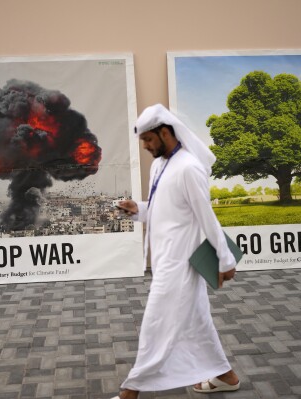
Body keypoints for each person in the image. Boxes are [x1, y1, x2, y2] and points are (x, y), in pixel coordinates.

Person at [112, 104, 240, 399]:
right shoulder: (160, 165)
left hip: (180, 264)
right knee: (197, 321)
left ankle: (129, 392)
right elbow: (165, 210)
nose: (145, 146)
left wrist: (225, 259)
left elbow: (207, 218)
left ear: (165, 132)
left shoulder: (189, 168)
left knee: (155, 325)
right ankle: (226, 375)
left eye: (148, 139)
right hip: (164, 259)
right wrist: (138, 209)